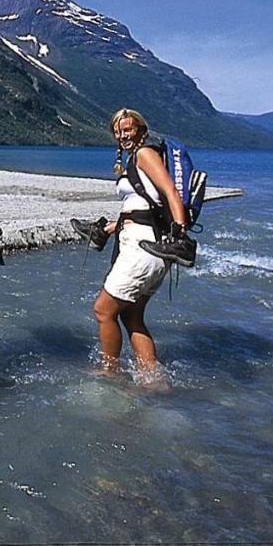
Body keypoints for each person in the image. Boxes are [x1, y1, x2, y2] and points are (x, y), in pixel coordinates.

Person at [90, 108, 188, 384]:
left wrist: (180, 234)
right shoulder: (136, 159)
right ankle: (152, 379)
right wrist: (110, 228)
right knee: (132, 316)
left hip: (143, 248)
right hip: (146, 244)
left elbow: (170, 192)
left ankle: (109, 374)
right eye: (118, 131)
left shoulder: (145, 154)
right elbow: (142, 205)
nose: (123, 135)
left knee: (103, 310)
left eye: (128, 129)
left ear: (141, 131)